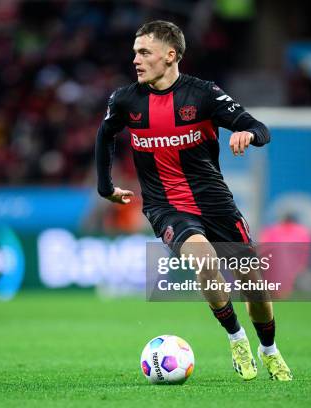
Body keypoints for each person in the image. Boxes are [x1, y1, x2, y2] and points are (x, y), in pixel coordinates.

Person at [95, 20, 292, 381]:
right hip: (165, 207)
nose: (135, 60)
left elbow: (260, 127)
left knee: (255, 286)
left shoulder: (204, 95)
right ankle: (236, 339)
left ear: (170, 56)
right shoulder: (125, 99)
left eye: (144, 52)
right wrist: (105, 186)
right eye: (134, 53)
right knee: (204, 260)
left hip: (215, 203)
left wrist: (247, 133)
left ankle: (270, 350)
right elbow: (105, 134)